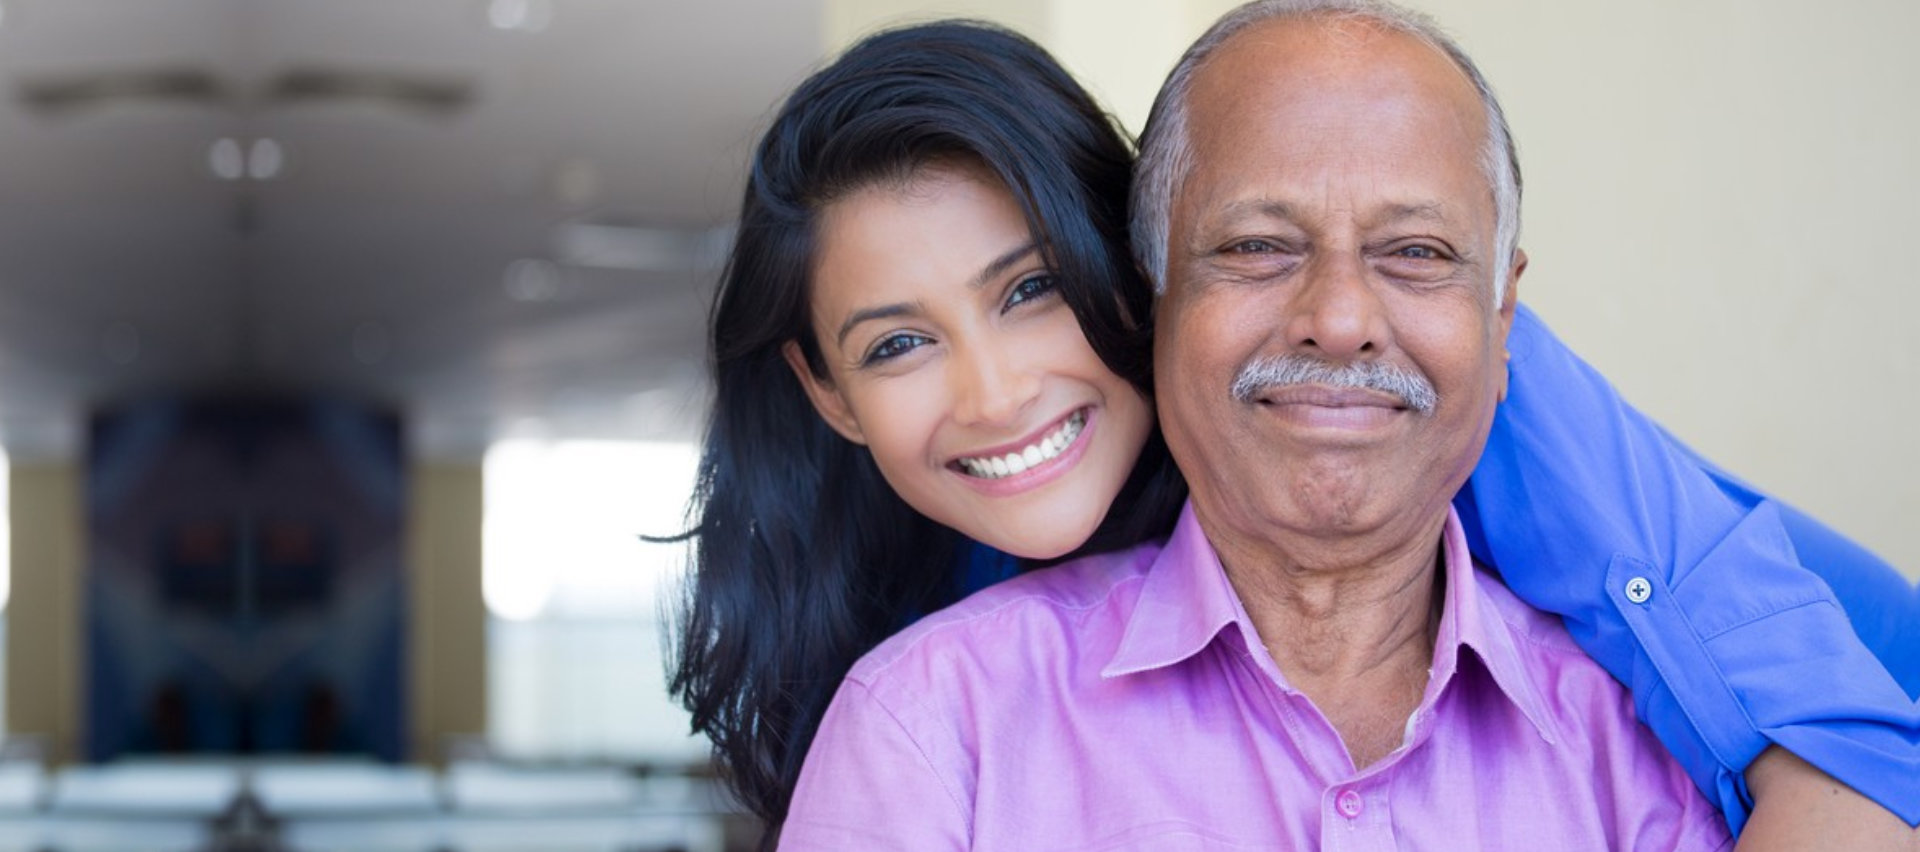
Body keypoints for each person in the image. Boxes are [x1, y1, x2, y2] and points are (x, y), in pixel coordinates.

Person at [668, 11, 1916, 843]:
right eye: (896, 343)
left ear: (1127, 277)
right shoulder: (928, 683)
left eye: (1029, 288)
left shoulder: (1479, 405)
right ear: (825, 391)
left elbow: (1853, 750)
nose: (994, 394)